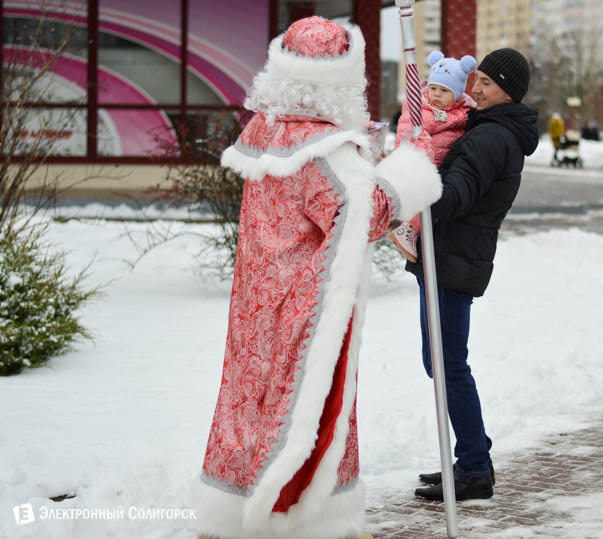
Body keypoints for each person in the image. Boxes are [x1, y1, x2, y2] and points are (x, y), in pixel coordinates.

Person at [191, 16, 442, 538]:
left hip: (256, 303)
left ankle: (232, 517)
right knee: (308, 405)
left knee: (249, 402)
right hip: (304, 305)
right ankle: (307, 522)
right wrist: (408, 177)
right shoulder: (324, 149)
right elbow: (359, 214)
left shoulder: (266, 128)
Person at [406, 48, 539, 501]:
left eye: (484, 82)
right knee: (442, 362)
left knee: (446, 364)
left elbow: (452, 198)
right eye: (474, 80)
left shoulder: (489, 138)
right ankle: (471, 456)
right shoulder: (492, 131)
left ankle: (475, 469)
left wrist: (412, 176)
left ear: (507, 90)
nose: (473, 89)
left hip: (453, 259)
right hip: (452, 256)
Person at [388, 50, 477, 262]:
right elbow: (406, 131)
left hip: (444, 164)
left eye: (444, 90)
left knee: (435, 204)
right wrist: (408, 156)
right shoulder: (422, 108)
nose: (436, 94)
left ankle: (413, 231)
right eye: (434, 88)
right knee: (426, 198)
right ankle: (407, 230)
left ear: (457, 94)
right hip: (423, 163)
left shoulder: (464, 111)